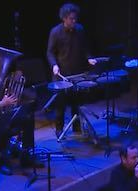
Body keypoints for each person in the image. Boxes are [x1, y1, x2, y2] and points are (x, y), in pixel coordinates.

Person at [46, 3, 97, 138]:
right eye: (71, 19)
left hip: (76, 73)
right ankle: (59, 129)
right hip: (61, 75)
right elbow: (50, 52)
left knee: (76, 103)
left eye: (75, 19)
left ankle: (76, 126)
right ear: (64, 18)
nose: (74, 21)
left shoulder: (80, 30)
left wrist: (89, 58)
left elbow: (85, 48)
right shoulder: (55, 32)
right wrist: (54, 65)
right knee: (60, 105)